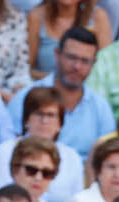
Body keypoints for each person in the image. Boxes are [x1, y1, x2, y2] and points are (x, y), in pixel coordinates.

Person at [33, 25, 112, 159]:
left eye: (85, 61)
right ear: (57, 54)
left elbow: (107, 156)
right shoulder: (28, 96)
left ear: (94, 63)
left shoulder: (100, 108)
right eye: (71, 57)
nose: (77, 67)